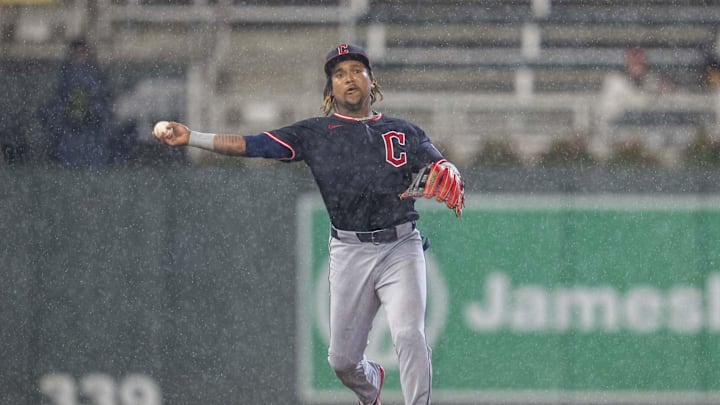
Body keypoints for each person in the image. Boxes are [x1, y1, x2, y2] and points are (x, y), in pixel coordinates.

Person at [153, 43, 464, 405]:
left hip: (401, 246)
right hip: (350, 250)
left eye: (356, 70)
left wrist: (450, 170)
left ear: (371, 80)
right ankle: (371, 384)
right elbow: (251, 144)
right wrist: (192, 137)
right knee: (343, 362)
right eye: (339, 73)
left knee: (410, 335)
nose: (349, 78)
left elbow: (440, 164)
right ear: (330, 89)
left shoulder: (404, 131)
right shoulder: (316, 133)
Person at [38, 38, 113, 168]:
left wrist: (94, 109)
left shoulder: (93, 73)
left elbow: (101, 96)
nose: (80, 56)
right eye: (76, 53)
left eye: (82, 52)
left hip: (90, 123)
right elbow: (59, 96)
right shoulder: (66, 73)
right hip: (71, 123)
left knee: (90, 149)